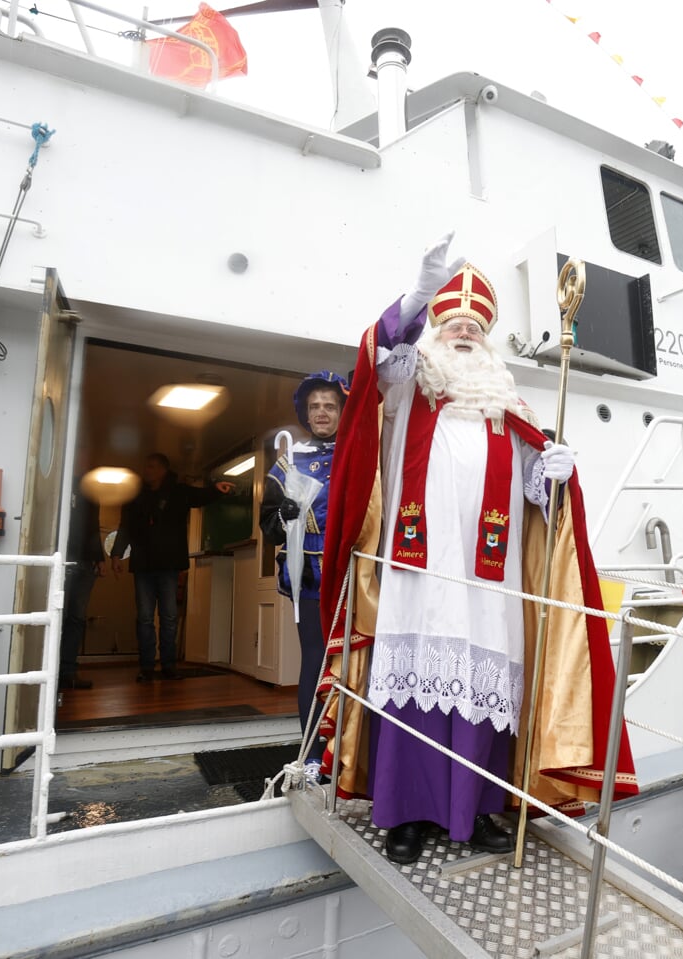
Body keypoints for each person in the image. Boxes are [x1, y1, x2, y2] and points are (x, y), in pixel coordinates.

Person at [316, 232, 637, 864]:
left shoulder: (506, 409)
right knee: (414, 688)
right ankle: (405, 814)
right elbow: (379, 359)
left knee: (485, 689)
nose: (463, 330)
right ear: (436, 330)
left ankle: (481, 808)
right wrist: (416, 296)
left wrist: (556, 474)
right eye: (452, 320)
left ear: (487, 340)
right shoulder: (411, 391)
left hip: (491, 582)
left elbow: (536, 502)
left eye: (475, 324)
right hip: (419, 575)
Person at [260, 371, 348, 783]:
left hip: (355, 574)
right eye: (314, 407)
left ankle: (350, 754)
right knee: (314, 661)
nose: (321, 413)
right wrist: (284, 516)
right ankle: (312, 754)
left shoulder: (360, 453)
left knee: (355, 663)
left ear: (342, 409)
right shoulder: (287, 461)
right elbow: (268, 526)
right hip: (309, 575)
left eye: (329, 405)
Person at [111, 454, 235, 681]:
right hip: (143, 565)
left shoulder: (179, 492)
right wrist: (117, 554)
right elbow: (125, 526)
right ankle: (147, 667)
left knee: (168, 617)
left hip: (168, 565)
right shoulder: (134, 495)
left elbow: (199, 496)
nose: (147, 470)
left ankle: (169, 665)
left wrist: (217, 489)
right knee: (145, 617)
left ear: (163, 470)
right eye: (146, 466)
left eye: (152, 466)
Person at [60, 482, 106, 689]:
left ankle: (68, 671)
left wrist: (99, 558)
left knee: (77, 617)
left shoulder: (92, 491)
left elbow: (93, 526)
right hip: (64, 556)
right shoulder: (62, 481)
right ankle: (54, 671)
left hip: (86, 560)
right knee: (60, 614)